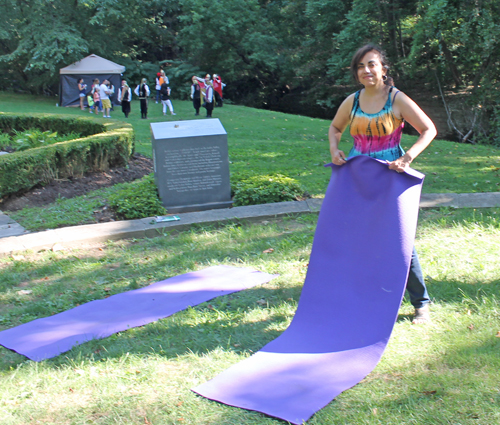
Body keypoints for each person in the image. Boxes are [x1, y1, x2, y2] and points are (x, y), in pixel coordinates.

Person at [328, 44, 437, 324]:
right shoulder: (351, 101)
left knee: (401, 241)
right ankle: (366, 298)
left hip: (391, 178)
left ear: (383, 69)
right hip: (357, 179)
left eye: (372, 64)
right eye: (361, 66)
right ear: (356, 73)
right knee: (360, 240)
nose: (366, 70)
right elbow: (335, 128)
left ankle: (421, 303)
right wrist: (334, 150)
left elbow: (429, 129)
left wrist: (408, 157)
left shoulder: (396, 99)